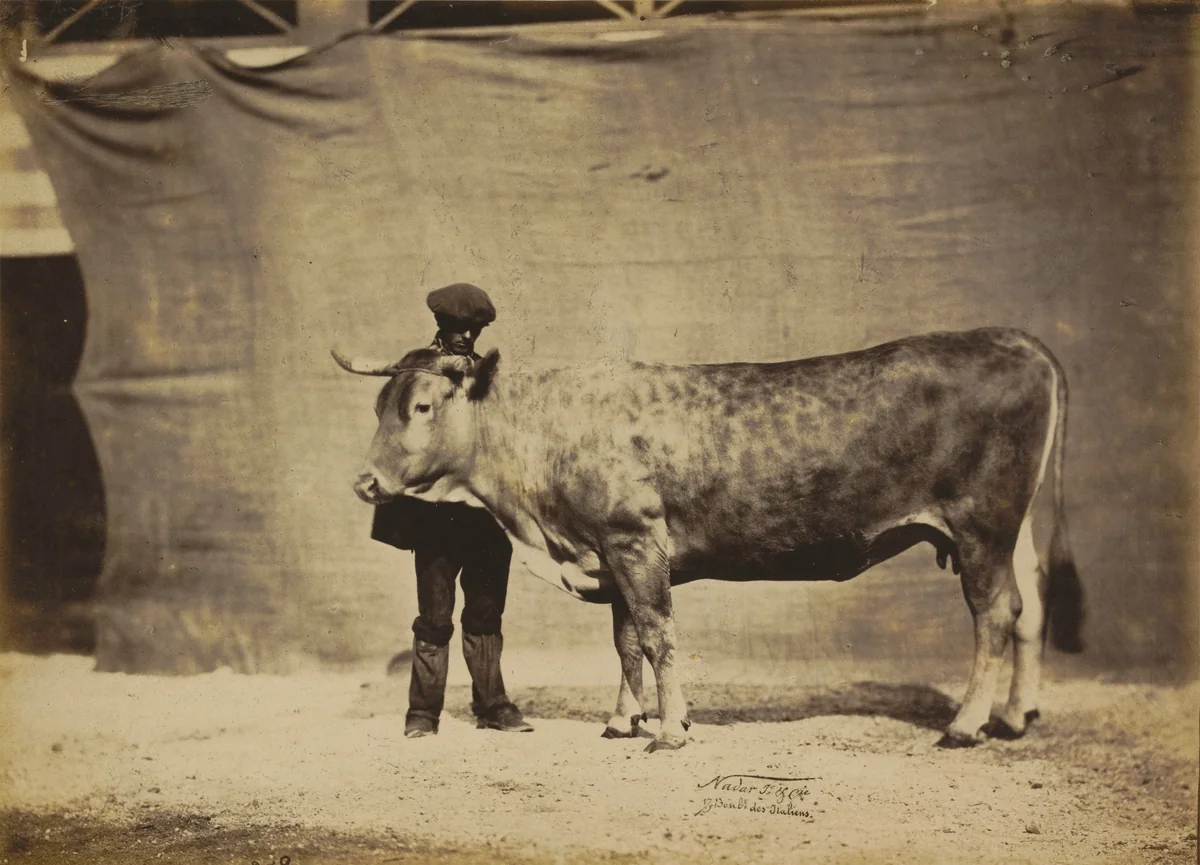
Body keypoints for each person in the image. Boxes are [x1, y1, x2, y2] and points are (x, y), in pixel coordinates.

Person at [371, 283, 533, 738]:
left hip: (485, 513)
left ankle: (494, 708)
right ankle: (423, 714)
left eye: (473, 329)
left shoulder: (490, 377)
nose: (465, 336)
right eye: (457, 327)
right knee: (435, 616)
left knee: (485, 612)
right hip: (436, 515)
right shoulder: (416, 370)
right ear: (441, 325)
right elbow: (397, 423)